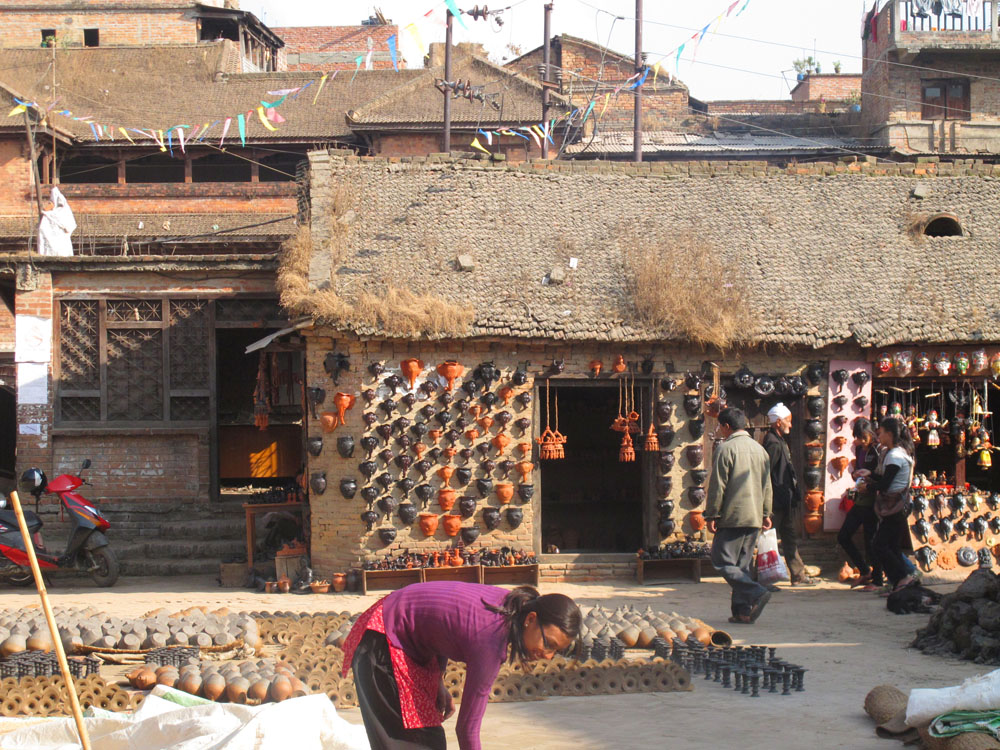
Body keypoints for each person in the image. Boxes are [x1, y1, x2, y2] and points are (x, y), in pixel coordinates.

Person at [342, 582, 580, 750]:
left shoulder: (509, 607)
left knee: (427, 738)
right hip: (383, 641)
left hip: (402, 638)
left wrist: (438, 680)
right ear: (531, 620)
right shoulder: (491, 640)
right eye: (549, 644)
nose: (548, 656)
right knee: (413, 742)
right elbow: (467, 728)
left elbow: (442, 628)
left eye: (556, 651)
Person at [706, 406, 774, 625]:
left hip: (733, 516)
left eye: (720, 427)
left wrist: (712, 514)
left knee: (721, 561)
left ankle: (756, 592)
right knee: (742, 566)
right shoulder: (760, 449)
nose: (719, 431)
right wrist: (765, 512)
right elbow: (767, 485)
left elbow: (718, 485)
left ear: (727, 426)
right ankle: (742, 612)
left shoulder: (726, 449)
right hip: (754, 516)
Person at [762, 403, 818, 586]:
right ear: (778, 422)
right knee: (767, 538)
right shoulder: (772, 442)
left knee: (788, 536)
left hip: (783, 499)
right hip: (775, 501)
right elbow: (766, 473)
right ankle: (761, 577)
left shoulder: (778, 440)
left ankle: (798, 575)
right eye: (788, 421)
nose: (790, 425)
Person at [868, 417, 917, 593]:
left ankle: (903, 577)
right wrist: (870, 475)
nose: (878, 436)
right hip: (899, 505)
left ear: (889, 434)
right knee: (893, 546)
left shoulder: (895, 455)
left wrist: (867, 485)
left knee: (879, 545)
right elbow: (885, 479)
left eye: (880, 432)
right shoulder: (899, 453)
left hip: (894, 505)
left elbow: (885, 484)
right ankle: (899, 582)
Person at [838, 417, 883, 591]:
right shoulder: (859, 449)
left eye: (864, 437)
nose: (862, 441)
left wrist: (869, 480)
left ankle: (877, 580)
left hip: (873, 500)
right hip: (860, 498)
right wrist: (855, 475)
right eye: (859, 437)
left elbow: (881, 475)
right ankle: (865, 571)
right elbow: (857, 470)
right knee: (843, 536)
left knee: (871, 540)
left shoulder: (878, 450)